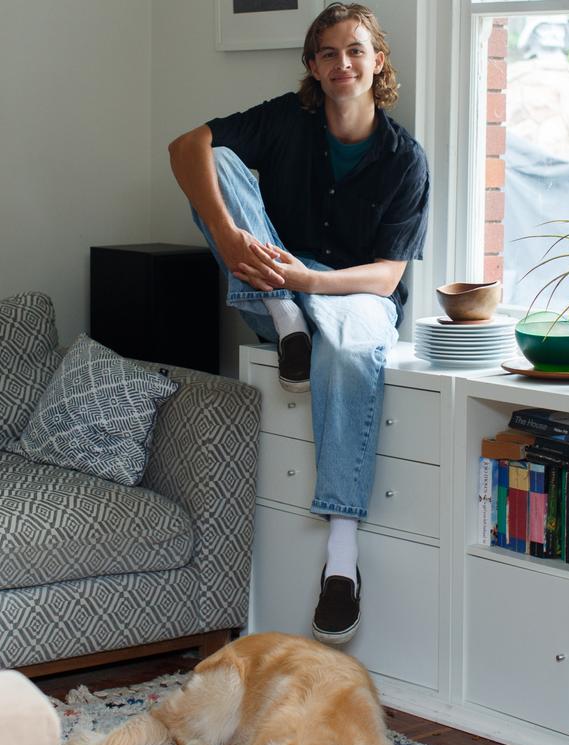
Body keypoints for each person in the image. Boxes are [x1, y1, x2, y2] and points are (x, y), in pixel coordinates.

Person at [168, 2, 429, 645]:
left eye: (356, 51)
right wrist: (231, 241)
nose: (343, 63)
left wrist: (308, 282)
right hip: (274, 288)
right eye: (329, 53)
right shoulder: (290, 119)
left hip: (353, 294)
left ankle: (341, 559)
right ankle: (285, 320)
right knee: (218, 161)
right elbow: (184, 146)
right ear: (312, 66)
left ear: (378, 61)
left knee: (344, 351)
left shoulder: (404, 159)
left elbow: (387, 278)